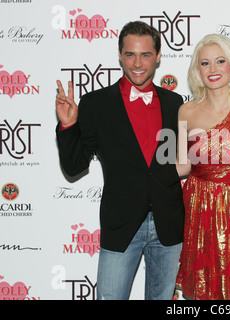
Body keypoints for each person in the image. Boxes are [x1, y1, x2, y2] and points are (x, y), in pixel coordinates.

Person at [55, 21, 184, 300]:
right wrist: (68, 127)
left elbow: (184, 160)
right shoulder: (96, 103)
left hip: (169, 224)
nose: (137, 63)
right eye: (130, 54)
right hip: (121, 223)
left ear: (158, 56)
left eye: (146, 55)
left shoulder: (176, 103)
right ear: (119, 55)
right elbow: (75, 167)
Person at [175, 34, 230, 300]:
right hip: (198, 205)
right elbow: (182, 166)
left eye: (220, 61)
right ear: (197, 70)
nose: (212, 70)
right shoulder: (186, 111)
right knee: (201, 287)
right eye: (205, 63)